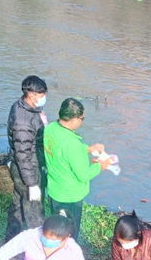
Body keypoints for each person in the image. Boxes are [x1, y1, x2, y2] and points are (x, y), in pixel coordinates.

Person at [44, 98, 113, 241]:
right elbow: (83, 175)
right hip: (70, 196)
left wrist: (88, 149)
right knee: (69, 234)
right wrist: (100, 166)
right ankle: (66, 258)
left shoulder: (50, 128)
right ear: (74, 120)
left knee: (56, 229)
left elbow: (61, 151)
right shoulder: (72, 144)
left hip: (54, 190)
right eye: (82, 118)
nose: (82, 121)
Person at [6, 75, 49, 242]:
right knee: (34, 211)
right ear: (31, 95)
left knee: (17, 205)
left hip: (20, 167)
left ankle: (11, 240)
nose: (44, 97)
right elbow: (23, 154)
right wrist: (32, 183)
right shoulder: (23, 122)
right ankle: (38, 246)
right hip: (28, 168)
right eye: (41, 94)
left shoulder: (21, 106)